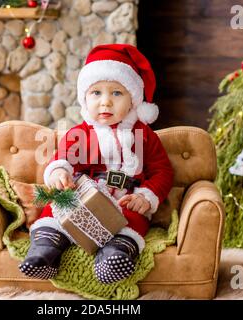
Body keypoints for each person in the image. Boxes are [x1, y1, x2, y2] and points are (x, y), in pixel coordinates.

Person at [19, 44, 174, 284]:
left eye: (116, 93)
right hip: (83, 196)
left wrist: (146, 196)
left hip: (125, 201)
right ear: (85, 98)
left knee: (132, 223)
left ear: (133, 100)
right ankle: (45, 251)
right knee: (56, 210)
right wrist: (60, 173)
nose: (105, 103)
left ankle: (114, 256)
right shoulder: (79, 133)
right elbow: (61, 159)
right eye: (96, 93)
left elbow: (162, 171)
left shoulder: (143, 135)